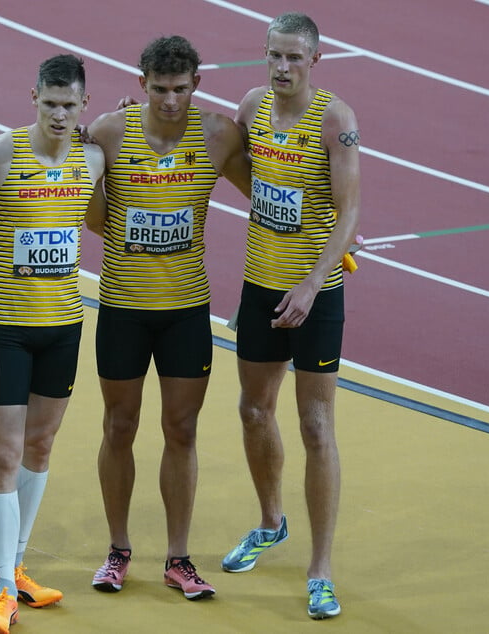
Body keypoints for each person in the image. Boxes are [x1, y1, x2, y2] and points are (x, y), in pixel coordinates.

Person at [85, 35, 251, 600]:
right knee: (119, 427)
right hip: (124, 309)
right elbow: (93, 218)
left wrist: (333, 224)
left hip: (185, 312)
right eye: (160, 89)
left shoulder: (219, 136)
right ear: (142, 85)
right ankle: (118, 549)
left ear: (197, 86)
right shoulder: (109, 132)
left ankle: (179, 558)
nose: (171, 100)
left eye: (181, 89)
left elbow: (270, 191)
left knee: (181, 431)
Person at [220, 12, 361, 620]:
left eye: (293, 58)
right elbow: (229, 162)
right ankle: (271, 524)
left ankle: (320, 570)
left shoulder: (336, 121)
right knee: (254, 411)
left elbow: (351, 210)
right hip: (260, 288)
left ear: (315, 61)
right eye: (273, 55)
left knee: (315, 427)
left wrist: (310, 281)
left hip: (315, 295)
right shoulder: (252, 106)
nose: (281, 68)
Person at [0, 54, 106, 634]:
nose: (60, 114)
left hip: (63, 325)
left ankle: (17, 568)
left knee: (40, 447)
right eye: (50, 103)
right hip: (4, 327)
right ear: (33, 99)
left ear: (84, 105)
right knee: (4, 454)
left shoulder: (93, 158)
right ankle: (1, 590)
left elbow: (97, 218)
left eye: (70, 105)